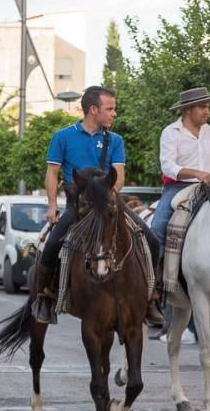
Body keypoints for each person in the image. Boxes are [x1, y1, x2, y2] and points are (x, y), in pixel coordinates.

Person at [33, 85, 161, 325]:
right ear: (93, 110)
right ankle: (45, 297)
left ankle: (151, 297)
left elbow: (119, 176)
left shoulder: (115, 140)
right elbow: (52, 173)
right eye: (109, 109)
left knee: (152, 241)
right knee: (52, 244)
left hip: (108, 203)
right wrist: (52, 206)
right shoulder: (63, 136)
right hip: (78, 204)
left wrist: (107, 197)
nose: (114, 114)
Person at [149, 87, 210, 327]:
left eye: (208, 106)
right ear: (188, 110)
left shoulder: (209, 132)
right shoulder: (170, 132)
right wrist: (197, 173)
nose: (207, 111)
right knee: (158, 226)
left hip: (208, 187)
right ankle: (153, 290)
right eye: (203, 107)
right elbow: (168, 166)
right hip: (178, 187)